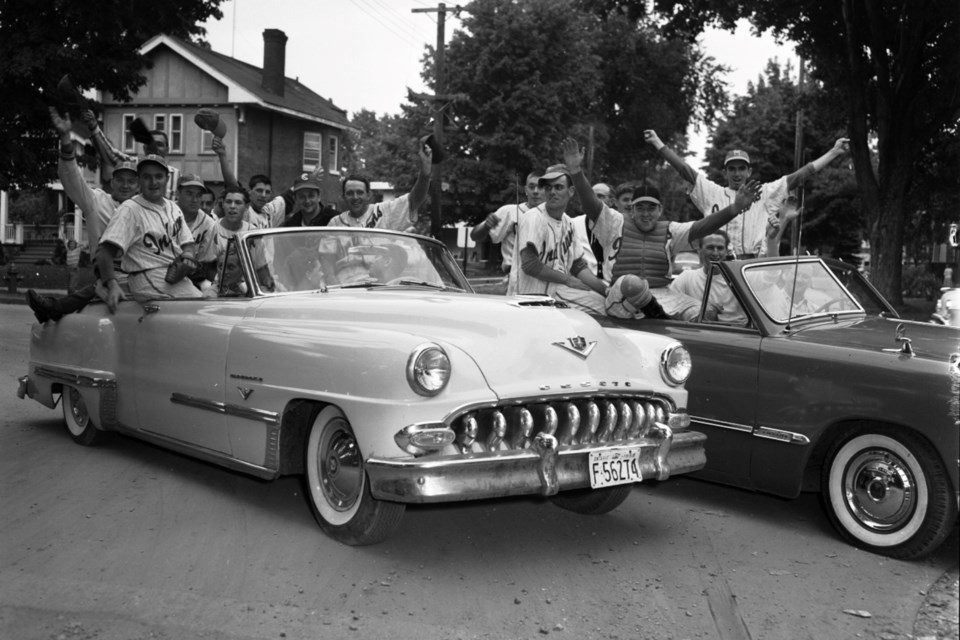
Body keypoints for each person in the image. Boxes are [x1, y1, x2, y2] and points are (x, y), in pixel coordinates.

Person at [562, 137, 761, 320]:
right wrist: (576, 172)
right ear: (632, 209)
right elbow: (591, 205)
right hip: (622, 295)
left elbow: (702, 227)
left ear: (660, 210)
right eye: (640, 208)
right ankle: (658, 317)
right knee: (632, 282)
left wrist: (734, 208)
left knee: (705, 311)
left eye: (651, 208)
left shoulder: (670, 231)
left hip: (662, 295)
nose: (646, 213)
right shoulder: (615, 222)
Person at [644, 129, 849, 258]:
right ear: (724, 172)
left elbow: (799, 176)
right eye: (731, 169)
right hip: (719, 265)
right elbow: (685, 170)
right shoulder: (712, 192)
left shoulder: (765, 192)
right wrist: (658, 144)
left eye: (741, 168)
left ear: (749, 171)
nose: (737, 173)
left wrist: (833, 152)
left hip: (753, 266)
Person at [26, 107, 140, 323]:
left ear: (138, 185)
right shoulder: (97, 201)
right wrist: (66, 139)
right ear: (111, 181)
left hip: (139, 276)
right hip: (108, 275)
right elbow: (71, 178)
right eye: (120, 179)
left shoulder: (144, 208)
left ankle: (52, 308)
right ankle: (54, 308)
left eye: (131, 181)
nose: (125, 185)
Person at [97, 154, 200, 312]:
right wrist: (112, 285)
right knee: (197, 308)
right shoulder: (130, 210)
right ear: (139, 181)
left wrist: (187, 255)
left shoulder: (173, 207)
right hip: (147, 276)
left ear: (167, 178)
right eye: (147, 177)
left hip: (176, 277)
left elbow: (188, 243)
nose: (153, 182)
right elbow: (104, 251)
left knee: (206, 304)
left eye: (158, 176)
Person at [328, 138, 432, 230]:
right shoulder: (335, 224)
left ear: (369, 195)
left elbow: (414, 201)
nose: (355, 197)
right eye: (350, 193)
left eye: (360, 192)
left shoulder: (384, 211)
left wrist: (425, 173)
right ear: (343, 197)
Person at [469, 171, 543, 287]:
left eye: (541, 187)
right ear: (525, 190)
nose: (535, 191)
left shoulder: (555, 217)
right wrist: (486, 226)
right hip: (515, 278)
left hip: (544, 279)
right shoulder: (510, 211)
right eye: (531, 186)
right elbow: (474, 236)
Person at [669, 230, 747, 324]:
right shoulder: (687, 278)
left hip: (738, 333)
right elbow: (667, 306)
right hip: (700, 333)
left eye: (720, 248)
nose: (715, 253)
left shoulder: (740, 279)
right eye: (710, 248)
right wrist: (698, 307)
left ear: (726, 251)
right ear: (699, 250)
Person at [176, 174, 219, 287]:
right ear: (178, 193)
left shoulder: (209, 225)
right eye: (189, 194)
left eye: (199, 195)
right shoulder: (165, 214)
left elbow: (207, 263)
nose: (195, 200)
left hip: (193, 278)